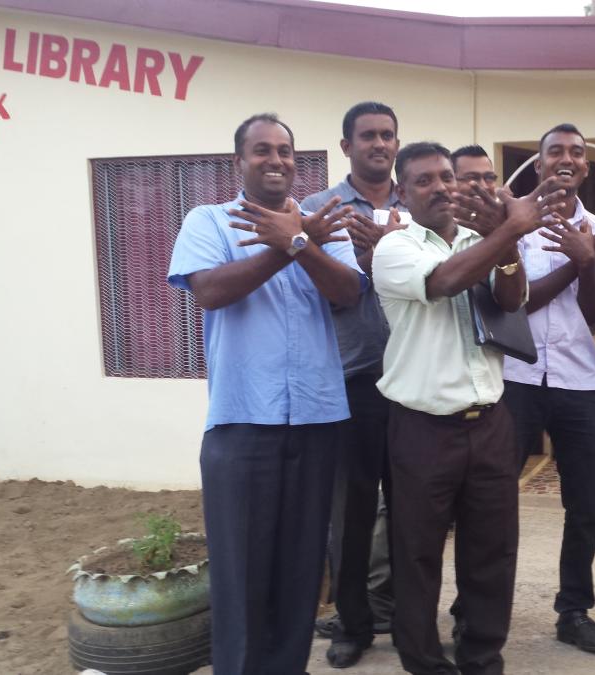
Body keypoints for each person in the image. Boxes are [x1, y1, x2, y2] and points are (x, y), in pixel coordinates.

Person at [166, 113, 364, 674]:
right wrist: (289, 245)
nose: (276, 160)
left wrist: (300, 240)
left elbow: (348, 292)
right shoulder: (208, 220)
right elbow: (209, 291)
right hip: (241, 423)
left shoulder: (322, 226)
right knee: (241, 571)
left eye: (285, 151)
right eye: (262, 150)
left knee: (301, 568)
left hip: (317, 419)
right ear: (239, 162)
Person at [372, 141, 564, 675]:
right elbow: (445, 281)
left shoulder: (484, 239)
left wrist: (506, 246)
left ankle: (482, 657)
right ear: (404, 192)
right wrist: (511, 230)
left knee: (492, 554)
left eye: (445, 177)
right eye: (424, 181)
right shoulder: (395, 249)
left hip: (491, 424)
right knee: (417, 555)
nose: (440, 188)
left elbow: (509, 300)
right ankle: (424, 661)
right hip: (421, 428)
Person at [500, 124, 595, 653]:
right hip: (515, 378)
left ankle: (573, 613)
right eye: (556, 152)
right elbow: (516, 302)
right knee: (492, 501)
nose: (567, 160)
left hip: (578, 381)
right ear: (539, 164)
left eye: (577, 153)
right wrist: (581, 258)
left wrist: (591, 259)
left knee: (583, 507)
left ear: (586, 167)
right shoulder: (512, 225)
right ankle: (481, 608)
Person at [301, 101, 402, 669]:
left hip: (415, 380)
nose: (379, 144)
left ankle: (411, 619)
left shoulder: (416, 203)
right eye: (367, 136)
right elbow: (315, 290)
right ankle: (354, 623)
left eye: (388, 135)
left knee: (415, 510)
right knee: (353, 513)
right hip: (354, 380)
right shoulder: (321, 211)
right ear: (346, 146)